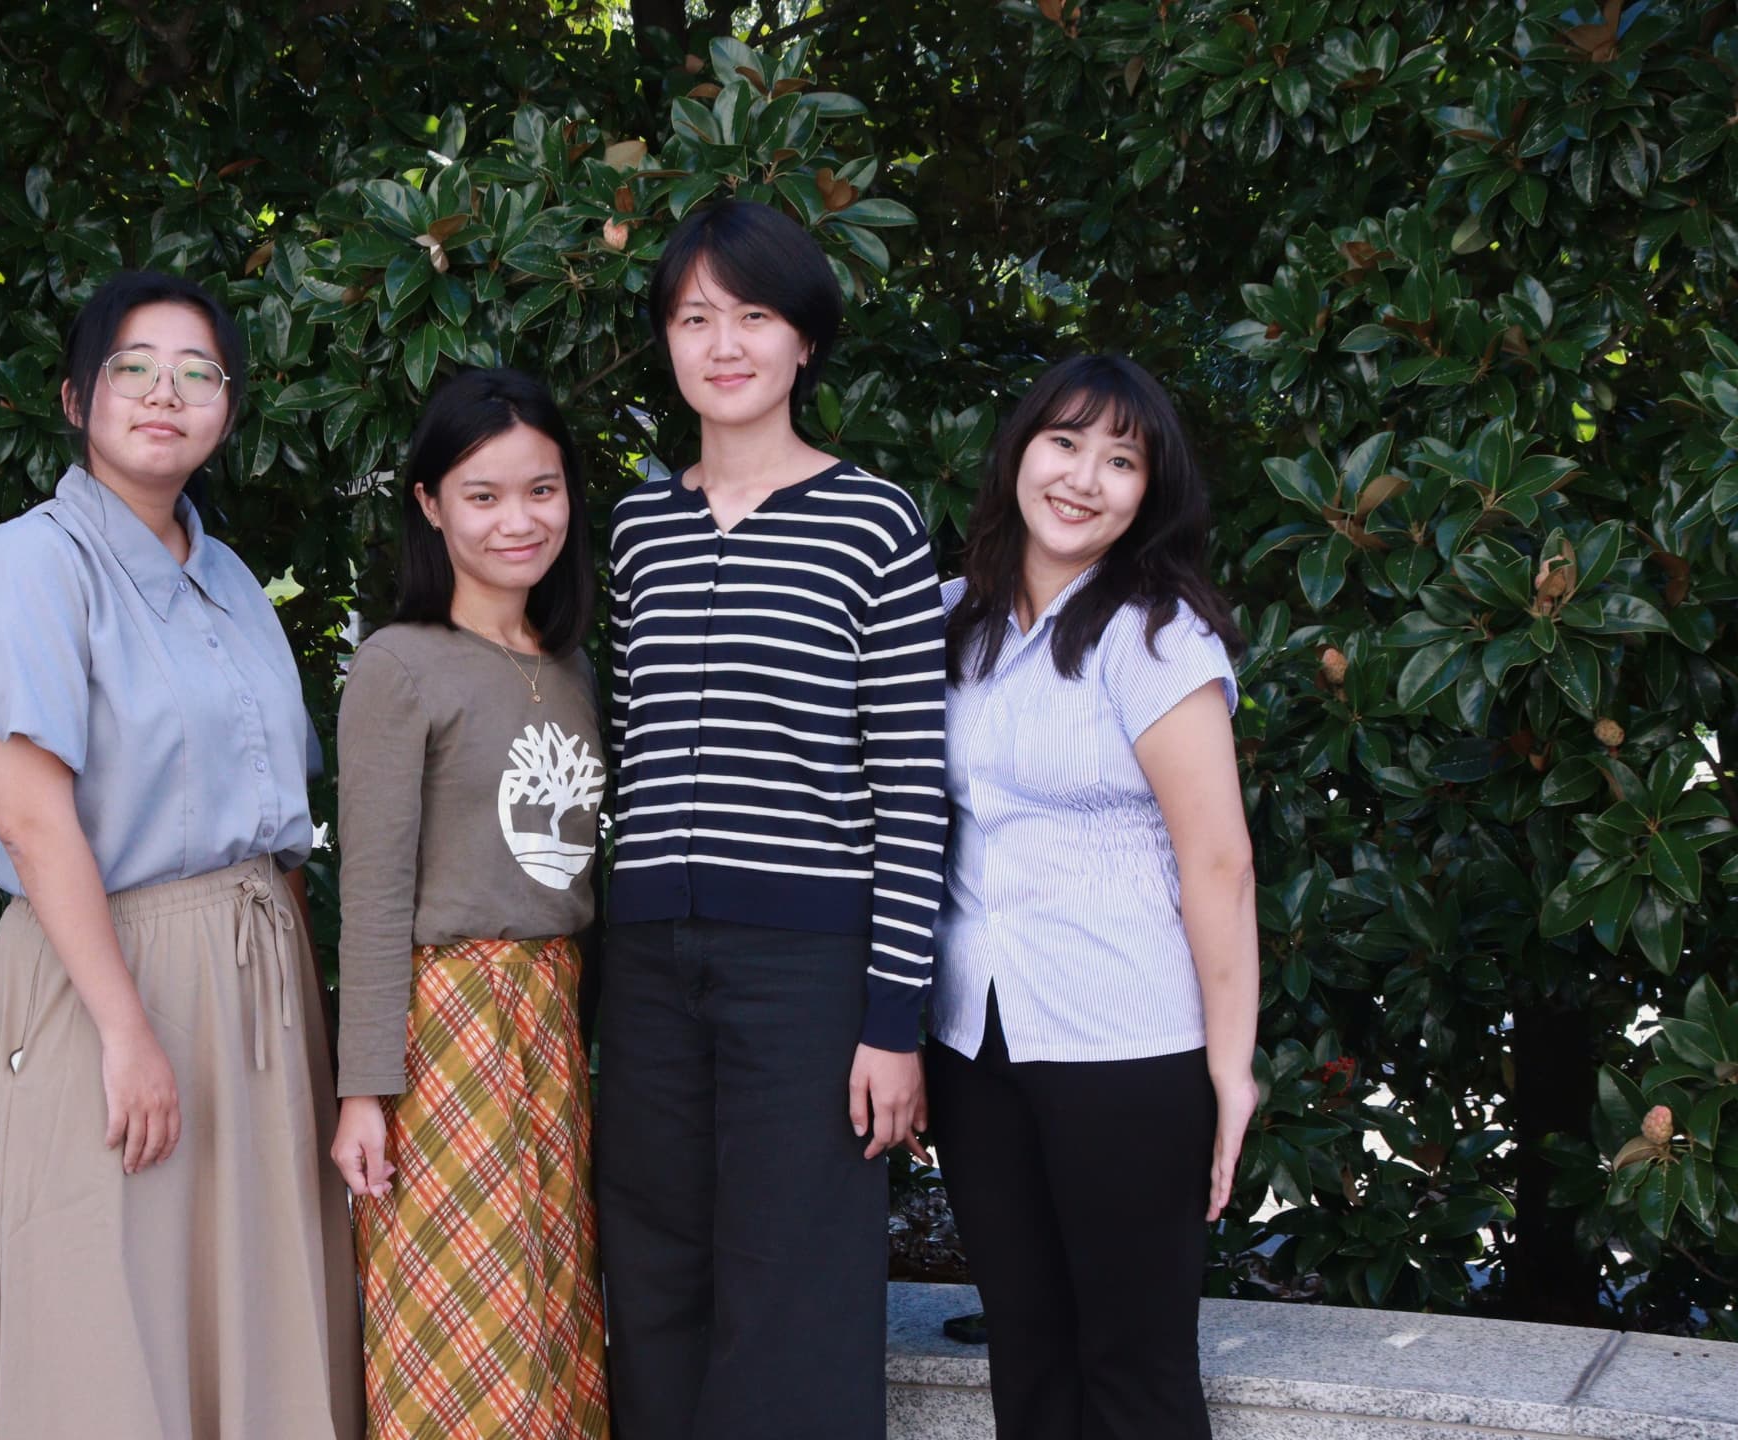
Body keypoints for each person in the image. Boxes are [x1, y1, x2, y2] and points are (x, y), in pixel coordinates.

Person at [0, 270, 361, 1440]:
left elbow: (281, 818)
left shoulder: (230, 581)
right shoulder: (34, 561)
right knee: (113, 1327)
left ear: (227, 408)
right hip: (109, 976)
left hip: (257, 991)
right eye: (134, 366)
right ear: (77, 397)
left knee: (257, 1322)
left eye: (198, 373)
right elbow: (31, 818)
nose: (165, 394)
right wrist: (128, 1032)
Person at [598, 199, 947, 1439]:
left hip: (806, 971)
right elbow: (627, 750)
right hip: (644, 963)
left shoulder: (873, 524)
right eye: (696, 317)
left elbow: (912, 788)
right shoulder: (638, 528)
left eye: (754, 314)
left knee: (793, 1280)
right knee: (651, 1266)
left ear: (805, 342)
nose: (725, 343)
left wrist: (891, 1020)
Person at [928, 354, 1260, 1439]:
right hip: (976, 1044)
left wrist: (1228, 1066)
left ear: (1149, 493)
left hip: (1127, 1046)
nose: (1084, 477)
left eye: (1121, 460)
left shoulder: (1156, 638)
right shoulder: (951, 622)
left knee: (1134, 1367)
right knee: (1029, 1352)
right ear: (1021, 452)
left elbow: (1219, 860)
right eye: (1065, 442)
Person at [327, 367, 608, 1440]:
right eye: (482, 495)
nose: (516, 519)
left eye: (541, 490)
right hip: (446, 1030)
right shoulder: (401, 665)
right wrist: (366, 1090)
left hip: (549, 1020)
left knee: (553, 1321)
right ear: (430, 504)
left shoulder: (573, 665)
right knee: (465, 1341)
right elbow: (374, 887)